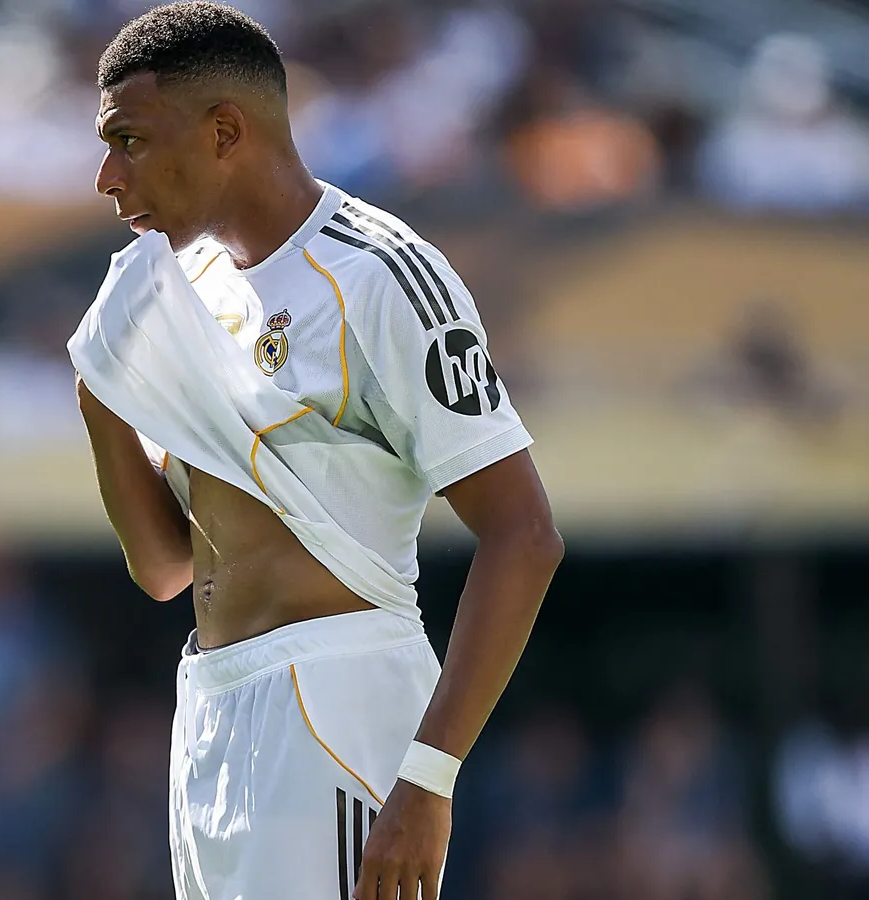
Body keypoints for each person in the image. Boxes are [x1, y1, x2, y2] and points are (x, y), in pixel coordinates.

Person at [71, 4, 563, 899]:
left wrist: (428, 779)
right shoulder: (185, 294)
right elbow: (163, 568)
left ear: (226, 131)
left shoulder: (380, 273)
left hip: (337, 699)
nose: (107, 176)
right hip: (213, 705)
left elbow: (525, 536)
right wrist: (99, 385)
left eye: (129, 139)